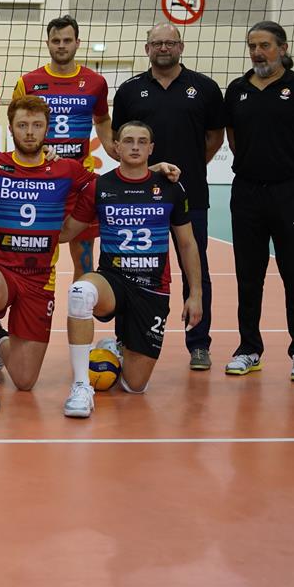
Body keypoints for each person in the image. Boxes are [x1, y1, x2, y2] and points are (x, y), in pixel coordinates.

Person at [58, 121, 203, 415]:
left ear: (151, 148)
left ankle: (116, 348)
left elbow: (187, 244)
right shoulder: (100, 187)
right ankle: (81, 386)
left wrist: (196, 294)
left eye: (142, 141)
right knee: (80, 292)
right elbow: (66, 232)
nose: (135, 146)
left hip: (152, 288)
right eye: (128, 141)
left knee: (135, 385)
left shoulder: (170, 188)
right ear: (116, 147)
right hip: (112, 281)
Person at [0, 96, 92, 412]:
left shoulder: (66, 169)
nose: (29, 132)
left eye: (36, 125)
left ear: (47, 129)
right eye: (22, 125)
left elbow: (106, 189)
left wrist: (152, 171)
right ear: (11, 128)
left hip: (39, 279)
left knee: (24, 379)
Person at [109, 23, 224, 370]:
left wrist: (187, 170)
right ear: (147, 48)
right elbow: (119, 140)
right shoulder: (130, 90)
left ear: (181, 47)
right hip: (139, 198)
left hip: (191, 194)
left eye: (170, 43)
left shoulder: (204, 87)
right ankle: (125, 339)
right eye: (157, 43)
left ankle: (199, 344)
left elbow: (215, 138)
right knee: (130, 268)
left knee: (195, 267)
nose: (163, 48)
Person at [223, 21, 294, 383]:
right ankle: (249, 349)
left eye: (264, 45)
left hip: (290, 193)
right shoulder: (237, 89)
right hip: (247, 193)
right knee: (248, 277)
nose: (257, 52)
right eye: (252, 46)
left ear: (282, 48)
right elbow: (234, 139)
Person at [12, 14, 111, 282]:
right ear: (47, 43)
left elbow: (102, 119)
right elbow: (17, 126)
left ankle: (81, 305)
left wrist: (114, 149)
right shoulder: (28, 82)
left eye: (67, 40)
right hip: (41, 180)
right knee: (37, 256)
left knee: (84, 259)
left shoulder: (95, 82)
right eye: (56, 41)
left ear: (78, 43)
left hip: (80, 182)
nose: (61, 45)